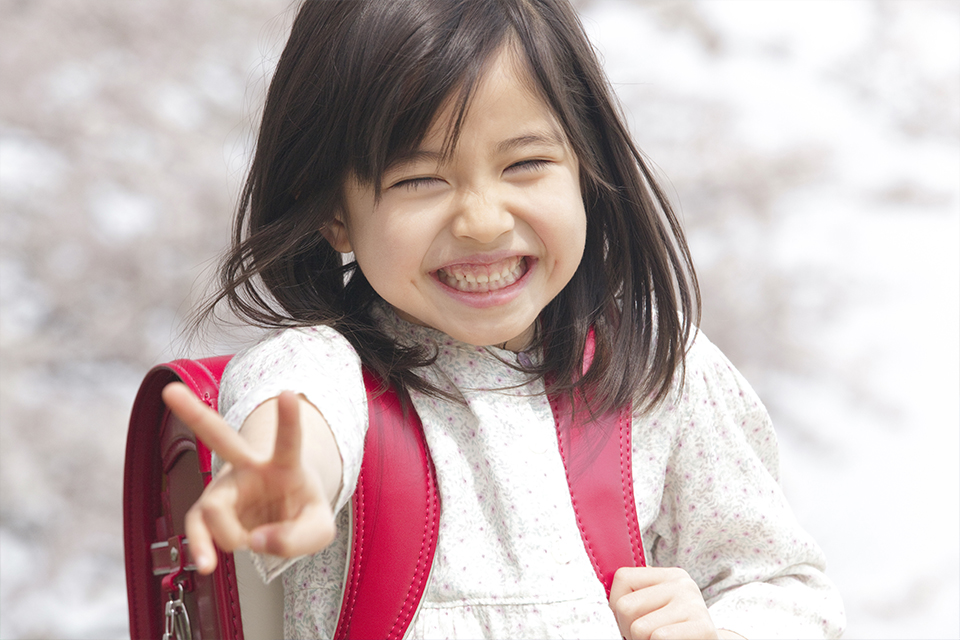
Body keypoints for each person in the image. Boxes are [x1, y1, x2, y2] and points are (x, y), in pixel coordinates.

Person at [161, 1, 845, 638]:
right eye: (419, 179)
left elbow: (785, 586)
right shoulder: (322, 367)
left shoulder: (659, 372)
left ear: (586, 168)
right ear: (334, 213)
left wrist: (713, 629)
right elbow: (296, 423)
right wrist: (285, 485)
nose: (483, 221)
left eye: (526, 164)